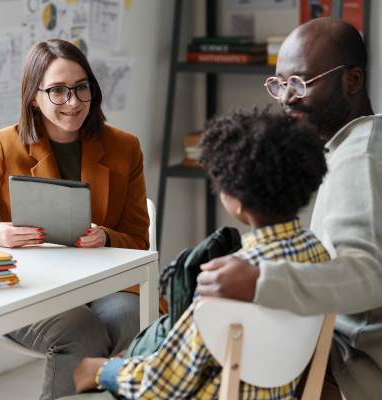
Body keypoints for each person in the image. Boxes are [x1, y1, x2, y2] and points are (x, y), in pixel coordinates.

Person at [196, 18, 382, 400]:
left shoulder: (359, 161)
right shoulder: (378, 138)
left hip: (361, 370)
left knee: (214, 358)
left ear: (352, 81)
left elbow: (367, 278)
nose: (285, 97)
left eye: (300, 82)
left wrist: (259, 280)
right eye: (279, 83)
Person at [0, 39, 165, 400]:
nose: (73, 102)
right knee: (81, 331)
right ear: (34, 97)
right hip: (33, 286)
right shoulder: (5, 147)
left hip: (106, 285)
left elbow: (138, 239)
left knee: (130, 318)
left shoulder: (125, 148)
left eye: (81, 88)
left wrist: (106, 237)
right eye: (58, 91)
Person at [67, 107, 331, 400]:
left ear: (237, 201)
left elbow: (162, 385)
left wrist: (101, 370)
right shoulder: (318, 256)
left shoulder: (227, 281)